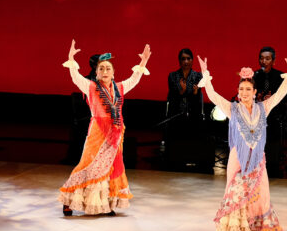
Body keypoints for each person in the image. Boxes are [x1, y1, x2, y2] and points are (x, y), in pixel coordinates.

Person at [197, 53, 287, 231]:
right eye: (241, 89)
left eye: (248, 89)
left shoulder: (263, 108)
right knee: (237, 197)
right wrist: (205, 75)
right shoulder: (232, 109)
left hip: (258, 161)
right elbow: (214, 97)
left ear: (254, 92)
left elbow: (279, 95)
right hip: (238, 161)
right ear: (237, 92)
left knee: (262, 198)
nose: (244, 93)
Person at [59, 40, 151, 215]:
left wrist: (143, 62)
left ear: (113, 73)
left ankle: (105, 204)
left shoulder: (120, 88)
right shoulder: (91, 87)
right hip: (97, 133)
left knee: (110, 167)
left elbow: (134, 79)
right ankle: (69, 200)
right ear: (96, 72)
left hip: (115, 133)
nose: (105, 71)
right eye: (101, 68)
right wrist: (71, 59)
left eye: (108, 68)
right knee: (88, 165)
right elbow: (76, 77)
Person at [165, 48, 204, 138]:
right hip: (176, 113)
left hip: (193, 113)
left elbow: (197, 98)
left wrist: (195, 92)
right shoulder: (172, 76)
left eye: (188, 58)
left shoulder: (198, 76)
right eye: (183, 59)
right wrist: (182, 91)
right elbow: (172, 97)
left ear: (192, 60)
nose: (186, 61)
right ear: (179, 61)